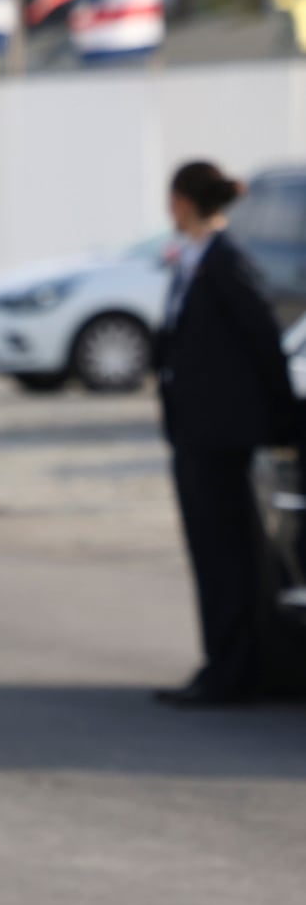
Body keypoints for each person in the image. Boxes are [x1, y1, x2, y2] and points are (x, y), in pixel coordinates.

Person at [152, 159, 306, 706]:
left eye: (171, 198)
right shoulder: (193, 258)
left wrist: (284, 416)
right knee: (209, 554)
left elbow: (263, 337)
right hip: (195, 431)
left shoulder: (225, 260)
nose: (167, 208)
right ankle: (220, 663)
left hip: (221, 437)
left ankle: (232, 671)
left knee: (227, 557)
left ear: (186, 202)